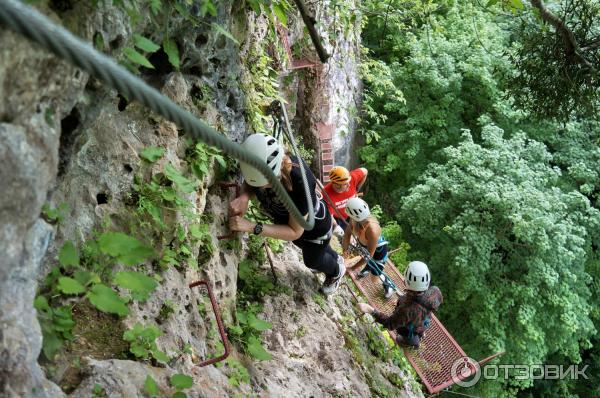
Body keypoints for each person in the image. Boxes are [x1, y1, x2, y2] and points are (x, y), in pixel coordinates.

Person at [228, 133, 346, 295]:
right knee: (308, 248)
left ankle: (336, 270)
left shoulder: (300, 181)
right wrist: (244, 196)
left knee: (311, 260)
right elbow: (251, 181)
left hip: (316, 229)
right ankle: (334, 258)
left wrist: (252, 227)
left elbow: (294, 231)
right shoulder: (262, 160)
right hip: (290, 223)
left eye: (266, 184)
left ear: (277, 170)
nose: (262, 189)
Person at [357, 261, 443, 348]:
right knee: (418, 323)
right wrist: (405, 300)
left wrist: (371, 311)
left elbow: (389, 323)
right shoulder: (435, 291)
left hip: (411, 327)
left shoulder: (407, 310)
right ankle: (420, 332)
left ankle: (413, 342)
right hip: (423, 320)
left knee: (401, 339)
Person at [341, 197, 394, 298]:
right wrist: (345, 250)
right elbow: (347, 234)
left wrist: (352, 268)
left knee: (374, 280)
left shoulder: (372, 229)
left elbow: (369, 255)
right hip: (364, 247)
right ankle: (368, 267)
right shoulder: (355, 219)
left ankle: (388, 283)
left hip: (378, 252)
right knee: (364, 261)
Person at [322, 166, 368, 238]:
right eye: (346, 184)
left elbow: (364, 171)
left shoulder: (351, 178)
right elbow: (330, 215)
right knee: (347, 238)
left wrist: (357, 189)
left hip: (353, 212)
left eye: (348, 182)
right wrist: (336, 226)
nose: (349, 185)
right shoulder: (327, 194)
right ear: (336, 185)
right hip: (340, 218)